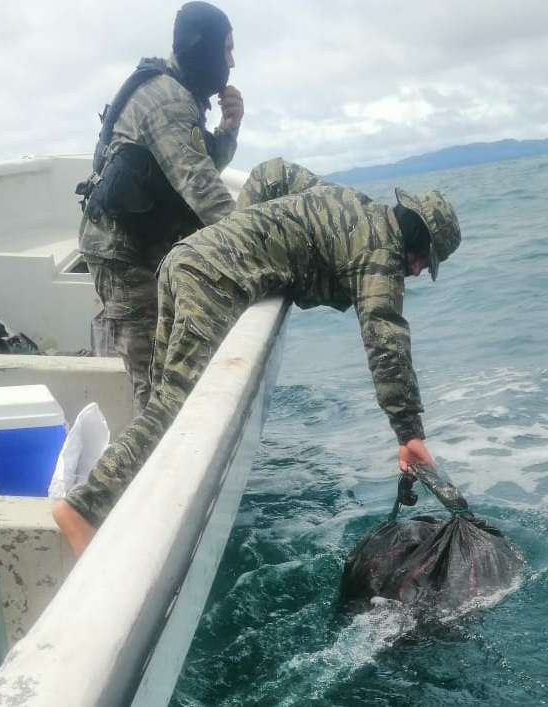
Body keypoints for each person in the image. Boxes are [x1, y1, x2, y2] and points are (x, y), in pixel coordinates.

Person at [54, 160, 462, 555]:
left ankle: (131, 503)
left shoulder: (349, 202)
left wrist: (237, 234)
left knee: (159, 398)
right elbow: (384, 338)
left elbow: (273, 173)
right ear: (416, 240)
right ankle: (83, 506)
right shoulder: (380, 252)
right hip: (212, 280)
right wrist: (408, 432)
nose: (422, 270)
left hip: (185, 258)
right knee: (174, 409)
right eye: (427, 259)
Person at [76, 1, 244, 415]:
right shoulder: (167, 100)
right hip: (124, 255)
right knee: (153, 379)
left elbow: (191, 166)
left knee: (168, 362)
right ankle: (148, 467)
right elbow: (202, 187)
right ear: (204, 49)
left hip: (145, 245)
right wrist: (257, 246)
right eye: (227, 49)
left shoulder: (179, 95)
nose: (232, 63)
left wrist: (229, 128)